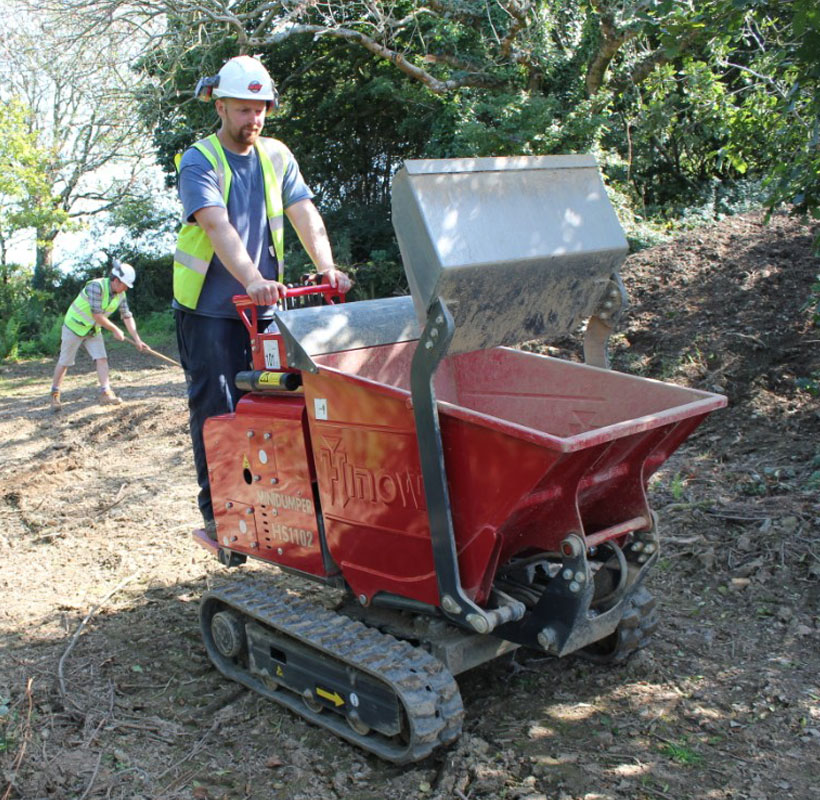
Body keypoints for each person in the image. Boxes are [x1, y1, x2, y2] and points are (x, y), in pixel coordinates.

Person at [174, 55, 351, 536]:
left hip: (263, 306)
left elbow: (304, 213)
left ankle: (275, 503)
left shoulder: (276, 155)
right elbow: (216, 225)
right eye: (243, 109)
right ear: (222, 107)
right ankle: (220, 512)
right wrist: (252, 278)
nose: (254, 119)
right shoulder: (199, 160)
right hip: (209, 309)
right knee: (217, 405)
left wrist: (326, 267)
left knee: (275, 401)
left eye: (260, 109)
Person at [50, 260, 146, 411]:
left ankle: (106, 393)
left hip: (93, 330)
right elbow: (97, 315)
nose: (126, 288)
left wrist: (137, 339)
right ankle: (55, 394)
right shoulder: (96, 286)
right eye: (125, 284)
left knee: (101, 358)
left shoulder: (121, 294)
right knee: (65, 362)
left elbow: (127, 316)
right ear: (116, 281)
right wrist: (115, 329)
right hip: (74, 327)